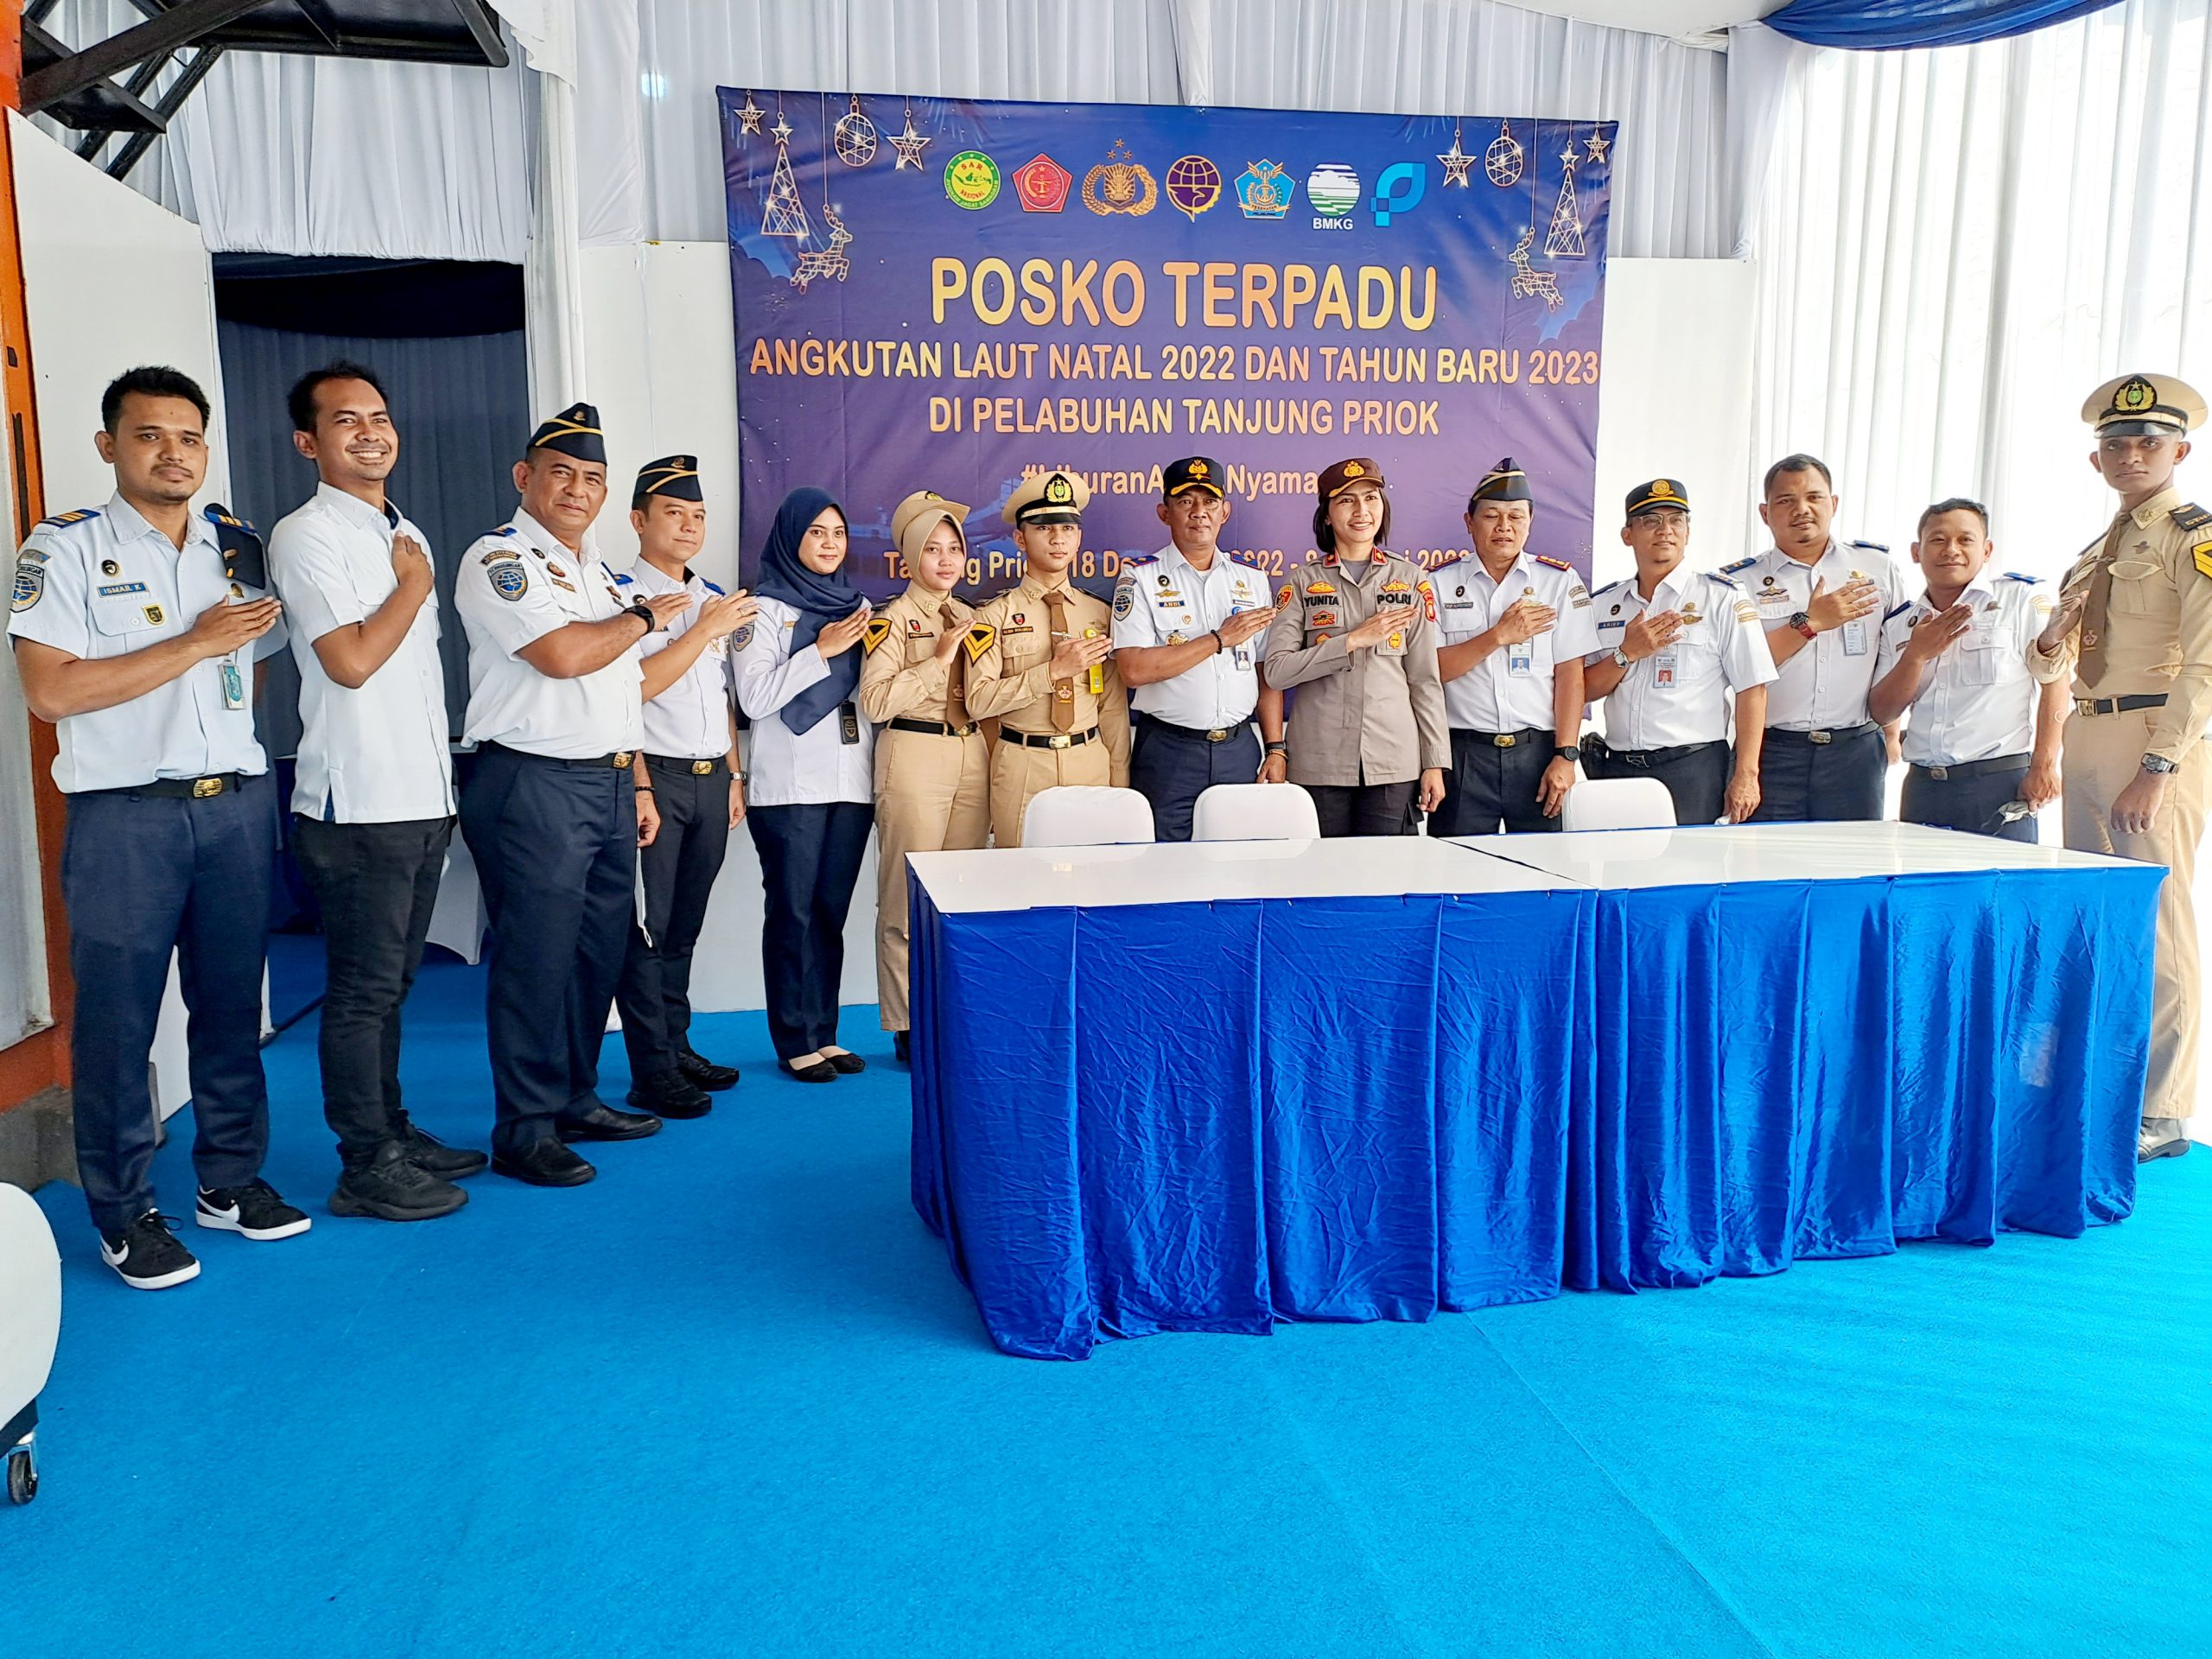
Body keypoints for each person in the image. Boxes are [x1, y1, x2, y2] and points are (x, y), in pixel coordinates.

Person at [7, 365, 307, 1287]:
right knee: (117, 1022)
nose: (172, 453)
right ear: (108, 445)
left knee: (228, 1008)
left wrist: (212, 695)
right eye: (148, 435)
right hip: (125, 819)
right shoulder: (63, 549)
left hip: (232, 811)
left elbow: (248, 667)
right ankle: (124, 1209)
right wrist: (188, 644)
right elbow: (50, 690)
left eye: (188, 437)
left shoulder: (236, 544)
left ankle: (229, 1180)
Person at [269, 359, 486, 1224]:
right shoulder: (305, 535)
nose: (370, 431)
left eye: (380, 417)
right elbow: (350, 663)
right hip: (356, 805)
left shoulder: (406, 533)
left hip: (420, 795)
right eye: (346, 419)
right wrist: (410, 589)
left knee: (392, 987)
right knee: (361, 991)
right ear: (307, 441)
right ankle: (364, 1165)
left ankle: (390, 1131)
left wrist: (409, 576)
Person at [455, 404, 685, 1186]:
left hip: (610, 782)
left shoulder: (602, 574)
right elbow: (560, 655)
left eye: (592, 477)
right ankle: (522, 1129)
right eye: (562, 473)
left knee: (598, 951)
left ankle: (574, 1097)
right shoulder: (500, 559)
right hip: (533, 783)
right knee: (535, 958)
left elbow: (627, 686)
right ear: (526, 478)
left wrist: (640, 778)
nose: (577, 489)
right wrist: (646, 615)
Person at [2031, 372, 2212, 1163]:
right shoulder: (2095, 550)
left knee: (2158, 918)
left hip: (2155, 739)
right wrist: (2047, 645)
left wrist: (2158, 765)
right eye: (2116, 443)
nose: (2131, 453)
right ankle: (2107, 1087)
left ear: (2181, 449)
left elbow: (2205, 667)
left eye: (2147, 441)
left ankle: (2165, 1109)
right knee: (2098, 918)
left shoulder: (2194, 537)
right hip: (2090, 736)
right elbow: (2053, 667)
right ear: (2095, 460)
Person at [612, 456, 756, 1116]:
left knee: (687, 926)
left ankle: (677, 1043)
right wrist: (640, 785)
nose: (690, 526)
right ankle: (652, 1066)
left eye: (698, 515)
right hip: (656, 778)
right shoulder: (620, 597)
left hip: (707, 779)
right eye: (675, 513)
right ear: (639, 520)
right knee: (652, 926)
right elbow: (630, 696)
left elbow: (720, 697)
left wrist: (732, 772)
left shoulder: (713, 596)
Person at [734, 487, 875, 1083]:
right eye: (816, 532)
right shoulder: (761, 611)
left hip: (851, 780)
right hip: (789, 784)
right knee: (791, 912)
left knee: (829, 912)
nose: (828, 543)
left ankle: (826, 1031)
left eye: (837, 533)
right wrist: (822, 652)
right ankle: (794, 1037)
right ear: (791, 538)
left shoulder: (859, 604)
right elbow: (753, 697)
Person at [858, 490, 991, 1064]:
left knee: (961, 896)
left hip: (971, 756)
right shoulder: (891, 622)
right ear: (909, 559)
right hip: (913, 752)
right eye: (932, 550)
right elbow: (874, 701)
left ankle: (951, 1011)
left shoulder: (973, 618)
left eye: (953, 549)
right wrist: (934, 661)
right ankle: (909, 1022)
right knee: (905, 899)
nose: (945, 560)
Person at [1261, 457, 1447, 836]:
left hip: (1393, 760)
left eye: (1371, 498)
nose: (1362, 511)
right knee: (1321, 881)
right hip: (1320, 760)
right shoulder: (1300, 583)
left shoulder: (1410, 580)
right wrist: (1352, 641)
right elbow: (1277, 671)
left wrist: (1434, 762)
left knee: (1387, 881)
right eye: (1346, 500)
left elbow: (1425, 681)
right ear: (1327, 515)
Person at [1867, 499, 2067, 842]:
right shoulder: (1901, 623)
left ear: (1987, 549)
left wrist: (2045, 764)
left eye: (1965, 540)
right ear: (1917, 551)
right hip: (1924, 789)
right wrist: (1915, 656)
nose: (1951, 550)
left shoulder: (2020, 600)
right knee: (1925, 894)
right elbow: (1883, 712)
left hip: (1998, 784)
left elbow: (2055, 681)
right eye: (1938, 540)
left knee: (2000, 895)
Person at [1583, 478, 1777, 824]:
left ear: (1688, 531)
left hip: (1692, 768)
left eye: (1676, 520)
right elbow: (1582, 688)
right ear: (1627, 535)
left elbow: (1753, 687)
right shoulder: (1604, 605)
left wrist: (1747, 774)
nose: (1665, 530)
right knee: (1620, 873)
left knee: (1690, 873)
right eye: (1650, 521)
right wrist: (1627, 652)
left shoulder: (1721, 597)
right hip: (1619, 768)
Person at [1725, 454, 1907, 821]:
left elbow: (1895, 653)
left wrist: (1891, 732)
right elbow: (1740, 669)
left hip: (1854, 753)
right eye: (1786, 501)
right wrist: (1809, 623)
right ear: (1765, 512)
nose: (1802, 509)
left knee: (1854, 872)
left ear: (1833, 504)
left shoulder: (1878, 567)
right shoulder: (1738, 583)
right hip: (1772, 753)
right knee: (1767, 870)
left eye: (1814, 497)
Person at [1111, 456, 1284, 840]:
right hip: (1170, 751)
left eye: (1208, 502)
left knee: (1238, 867)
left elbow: (1265, 671)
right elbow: (1133, 670)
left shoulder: (1252, 580)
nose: (1199, 513)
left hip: (1239, 749)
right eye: (1185, 501)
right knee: (1164, 870)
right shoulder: (1139, 577)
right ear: (1164, 512)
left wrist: (1276, 747)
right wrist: (1218, 639)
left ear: (1225, 511)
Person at [1429, 458, 1598, 833]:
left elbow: (1571, 675)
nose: (1504, 527)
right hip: (1463, 756)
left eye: (1516, 517)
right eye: (1492, 516)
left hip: (1538, 754)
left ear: (1530, 522)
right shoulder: (1438, 585)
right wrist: (1497, 636)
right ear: (1469, 523)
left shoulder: (1558, 582)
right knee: (1458, 873)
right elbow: (1432, 672)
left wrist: (1566, 756)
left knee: (1546, 876)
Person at [966, 471, 1130, 846]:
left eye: (1068, 528)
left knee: (1091, 884)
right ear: (1020, 539)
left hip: (1089, 761)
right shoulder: (993, 616)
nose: (1058, 539)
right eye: (1044, 528)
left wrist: (1120, 786)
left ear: (1080, 538)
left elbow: (1113, 710)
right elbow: (978, 701)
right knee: (1023, 888)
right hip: (1023, 764)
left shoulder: (1099, 614)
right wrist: (1052, 672)